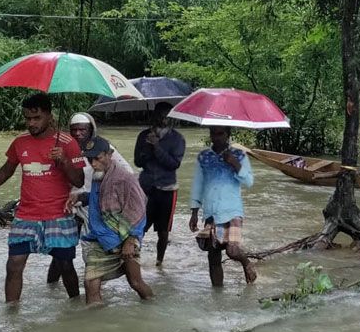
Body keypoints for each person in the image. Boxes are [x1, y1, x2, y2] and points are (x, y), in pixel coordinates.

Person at [0, 93, 85, 303]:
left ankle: (76, 308)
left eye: (36, 118)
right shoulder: (20, 143)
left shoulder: (68, 142)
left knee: (65, 266)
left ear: (49, 116)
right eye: (27, 118)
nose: (31, 123)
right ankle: (11, 316)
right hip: (26, 215)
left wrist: (63, 160)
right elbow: (6, 171)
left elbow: (79, 181)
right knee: (14, 265)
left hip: (58, 215)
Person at [69, 137, 153, 306]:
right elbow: (98, 200)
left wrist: (131, 240)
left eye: (97, 158)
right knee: (90, 283)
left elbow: (139, 211)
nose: (93, 164)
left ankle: (153, 306)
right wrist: (79, 197)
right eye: (89, 159)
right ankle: (97, 328)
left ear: (109, 154)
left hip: (124, 238)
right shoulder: (97, 175)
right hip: (99, 237)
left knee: (136, 283)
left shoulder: (125, 178)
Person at [188, 126, 256, 286]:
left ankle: (246, 262)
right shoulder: (204, 156)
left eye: (220, 134)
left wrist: (234, 163)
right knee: (213, 257)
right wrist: (194, 211)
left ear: (228, 135)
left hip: (232, 211)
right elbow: (198, 184)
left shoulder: (239, 155)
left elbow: (249, 182)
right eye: (213, 133)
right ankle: (217, 295)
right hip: (211, 212)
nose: (216, 137)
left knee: (232, 251)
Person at [134, 102, 186, 267]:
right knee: (139, 226)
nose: (163, 118)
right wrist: (148, 148)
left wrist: (157, 147)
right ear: (154, 116)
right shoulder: (143, 136)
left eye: (167, 115)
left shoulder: (177, 139)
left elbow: (173, 164)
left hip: (167, 189)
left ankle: (159, 262)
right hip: (146, 188)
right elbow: (138, 162)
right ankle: (135, 258)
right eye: (160, 115)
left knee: (163, 231)